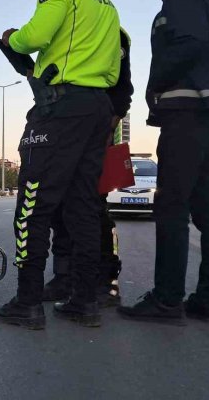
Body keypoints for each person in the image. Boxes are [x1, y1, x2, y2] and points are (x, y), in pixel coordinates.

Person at [0, 0, 121, 329]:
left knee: (32, 206)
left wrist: (13, 39)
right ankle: (84, 300)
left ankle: (28, 301)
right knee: (83, 208)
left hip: (60, 108)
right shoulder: (105, 2)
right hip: (97, 107)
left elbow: (35, 36)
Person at [118, 0, 209, 325]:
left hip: (188, 111)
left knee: (171, 206)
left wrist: (154, 85)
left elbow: (189, 43)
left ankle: (167, 299)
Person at [44, 27, 134, 308]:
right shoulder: (60, 27)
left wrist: (108, 128)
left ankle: (105, 282)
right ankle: (64, 277)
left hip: (97, 135)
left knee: (92, 210)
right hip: (63, 132)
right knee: (59, 209)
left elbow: (122, 90)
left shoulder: (111, 30)